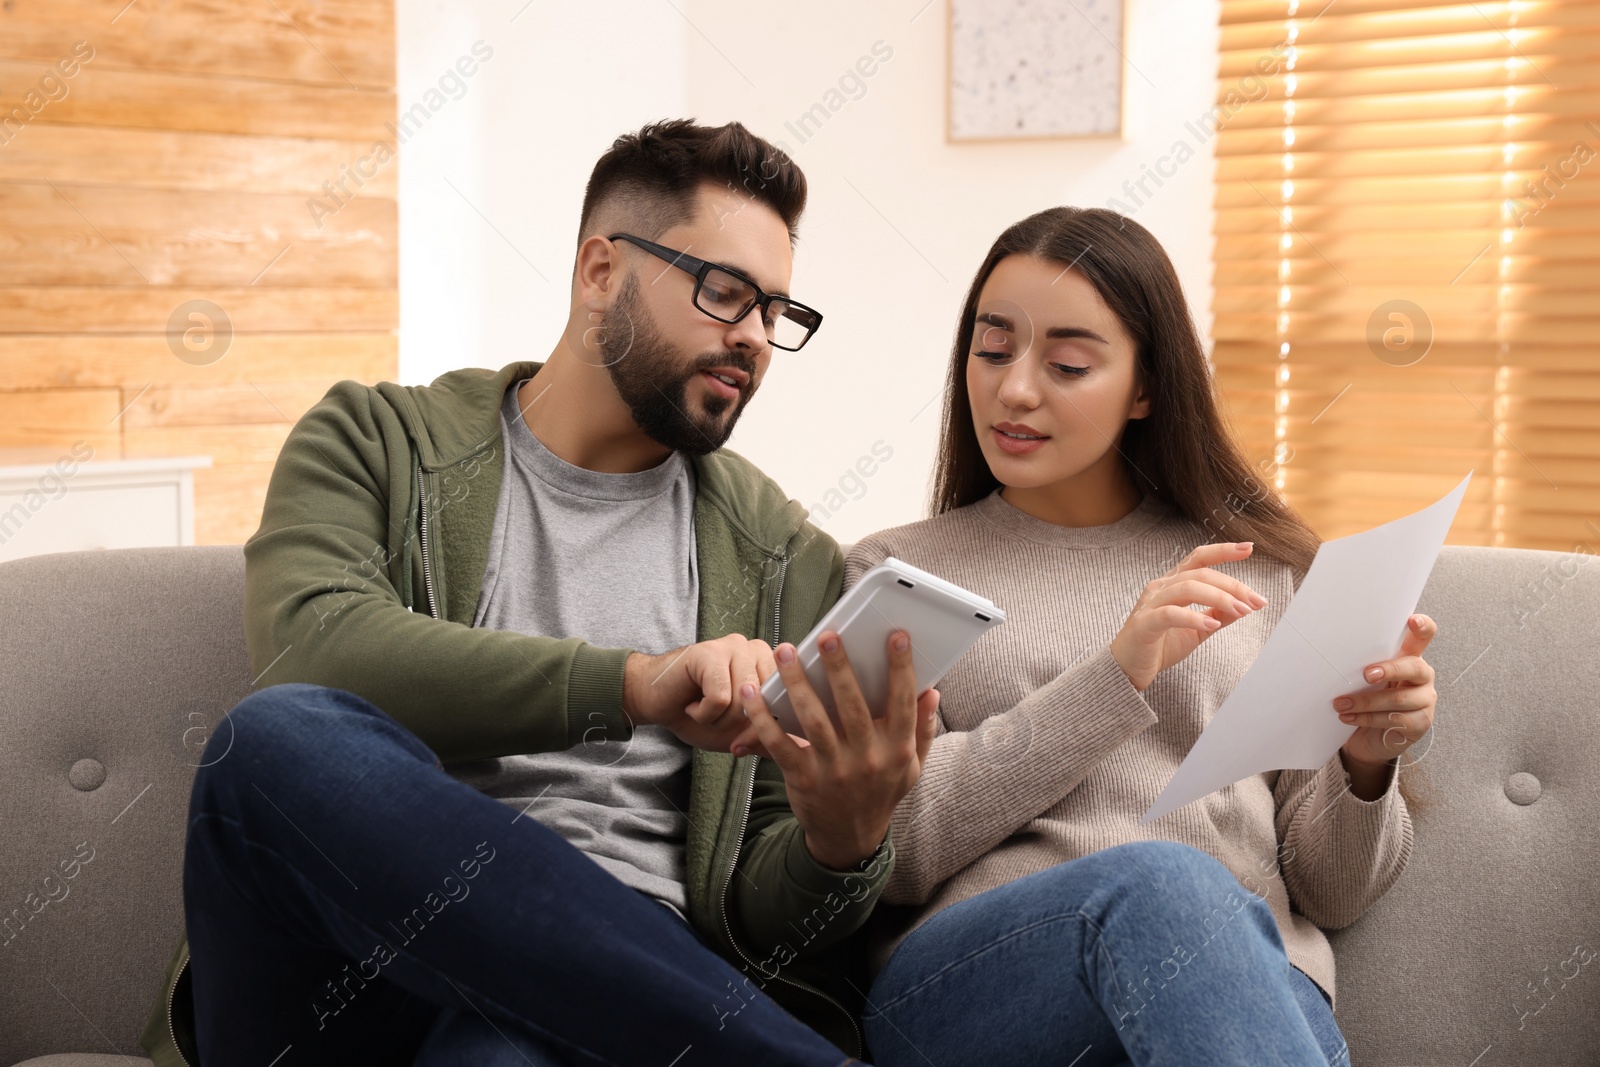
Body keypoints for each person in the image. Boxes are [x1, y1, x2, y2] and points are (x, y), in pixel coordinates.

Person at [138, 119, 941, 1067]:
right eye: (725, 292)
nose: (754, 337)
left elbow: (766, 920)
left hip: (614, 1008)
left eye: (776, 311)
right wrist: (636, 683)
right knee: (270, 740)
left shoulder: (784, 556)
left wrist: (841, 842)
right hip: (352, 985)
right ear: (601, 271)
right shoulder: (373, 441)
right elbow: (316, 650)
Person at [740, 206, 1437, 1066]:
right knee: (1164, 883)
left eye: (1066, 363)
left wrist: (1367, 762)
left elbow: (1333, 894)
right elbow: (898, 847)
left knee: (1184, 907)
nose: (1015, 388)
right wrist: (1114, 676)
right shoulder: (898, 573)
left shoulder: (1268, 573)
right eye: (992, 350)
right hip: (973, 992)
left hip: (1239, 992)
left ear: (1147, 386)